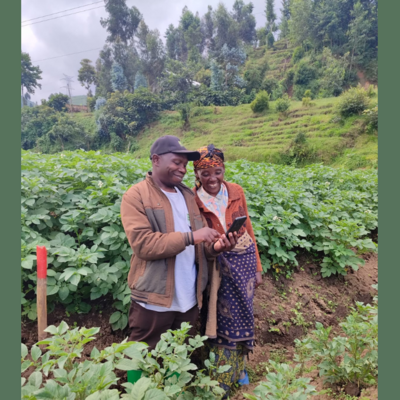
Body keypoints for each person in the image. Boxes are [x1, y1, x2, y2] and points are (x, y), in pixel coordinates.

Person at [120, 135, 238, 350]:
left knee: (179, 356)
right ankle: (136, 386)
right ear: (156, 160)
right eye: (176, 162)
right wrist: (191, 237)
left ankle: (175, 385)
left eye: (184, 165)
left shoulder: (187, 194)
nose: (182, 169)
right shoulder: (136, 195)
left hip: (189, 297)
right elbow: (143, 244)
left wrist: (216, 248)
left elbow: (201, 244)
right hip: (154, 299)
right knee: (139, 354)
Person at [193, 144, 263, 396]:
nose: (212, 179)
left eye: (218, 172)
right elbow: (199, 238)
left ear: (224, 169)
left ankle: (241, 370)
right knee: (222, 318)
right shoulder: (193, 199)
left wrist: (257, 265)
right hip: (217, 264)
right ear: (197, 175)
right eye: (205, 174)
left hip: (244, 260)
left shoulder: (235, 191)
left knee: (244, 312)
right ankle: (222, 379)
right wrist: (217, 246)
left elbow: (249, 228)